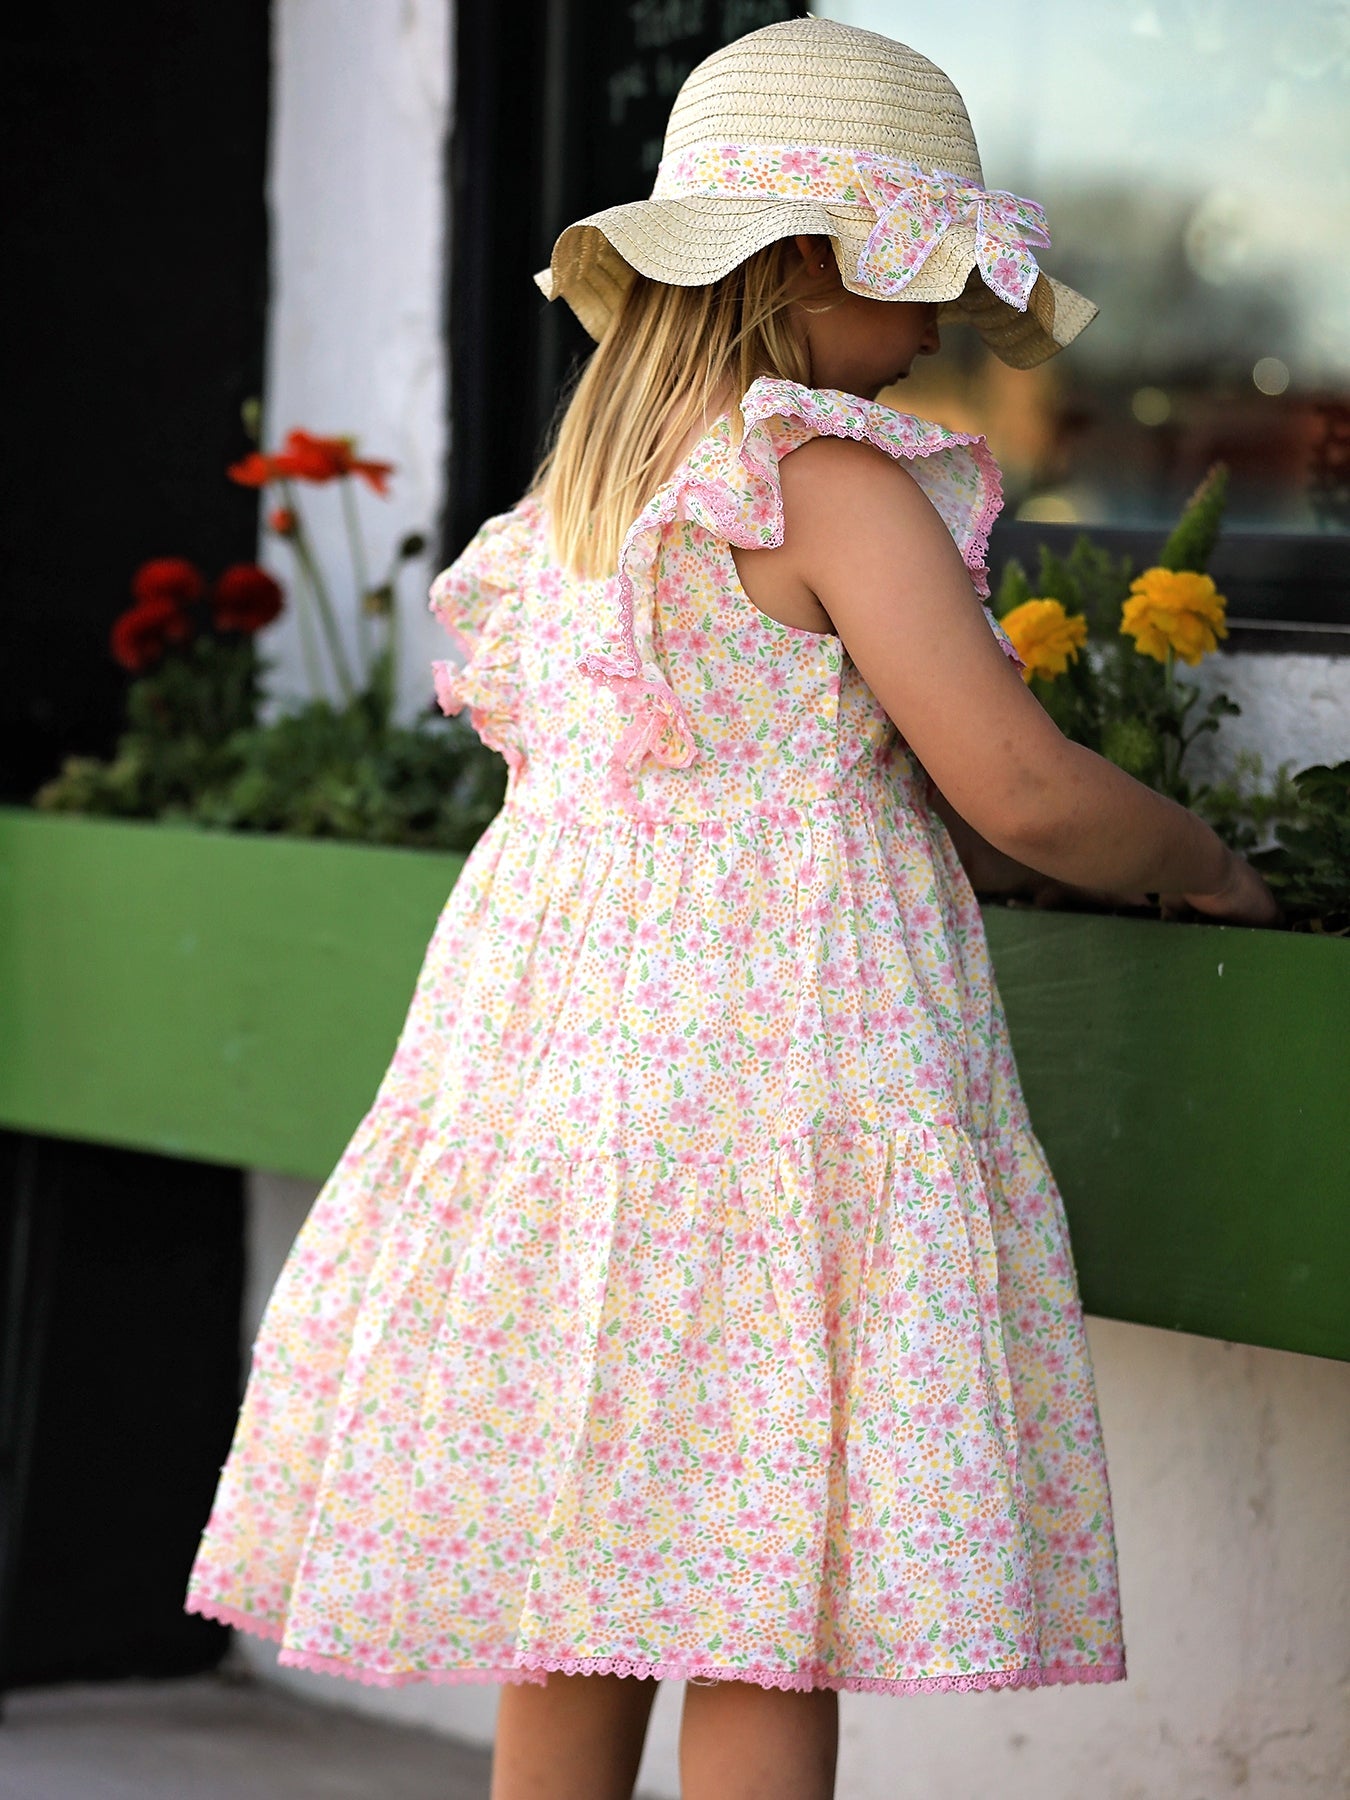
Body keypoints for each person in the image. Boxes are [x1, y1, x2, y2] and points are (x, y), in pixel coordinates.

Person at [185, 18, 1277, 1800]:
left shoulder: (576, 506)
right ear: (786, 271)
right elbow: (1009, 784)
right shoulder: (825, 481)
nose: (935, 325)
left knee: (588, 1560)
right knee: (762, 1575)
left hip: (556, 1071)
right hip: (778, 1064)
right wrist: (1205, 865)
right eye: (909, 274)